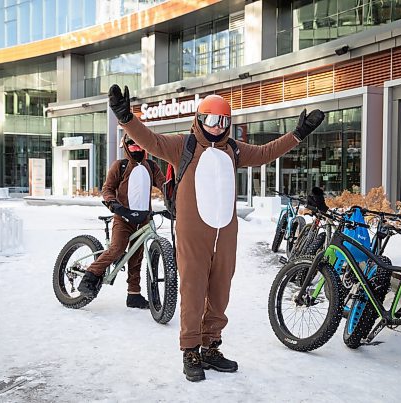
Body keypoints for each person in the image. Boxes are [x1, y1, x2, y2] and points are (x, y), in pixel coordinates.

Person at [108, 84, 325, 381]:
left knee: (220, 291)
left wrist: (297, 134)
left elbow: (265, 152)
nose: (216, 127)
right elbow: (150, 140)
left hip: (225, 232)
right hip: (193, 232)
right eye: (210, 120)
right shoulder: (182, 145)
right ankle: (190, 350)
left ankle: (211, 346)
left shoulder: (233, 149)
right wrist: (126, 118)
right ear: (199, 119)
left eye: (223, 121)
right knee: (193, 290)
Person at [78, 134, 166, 309]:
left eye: (140, 145)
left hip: (143, 219)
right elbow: (108, 188)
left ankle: (133, 295)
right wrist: (114, 204)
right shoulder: (120, 165)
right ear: (125, 147)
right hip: (123, 217)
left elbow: (164, 185)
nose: (137, 149)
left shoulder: (151, 166)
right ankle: (90, 275)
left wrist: (174, 199)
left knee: (137, 257)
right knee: (117, 249)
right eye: (132, 145)